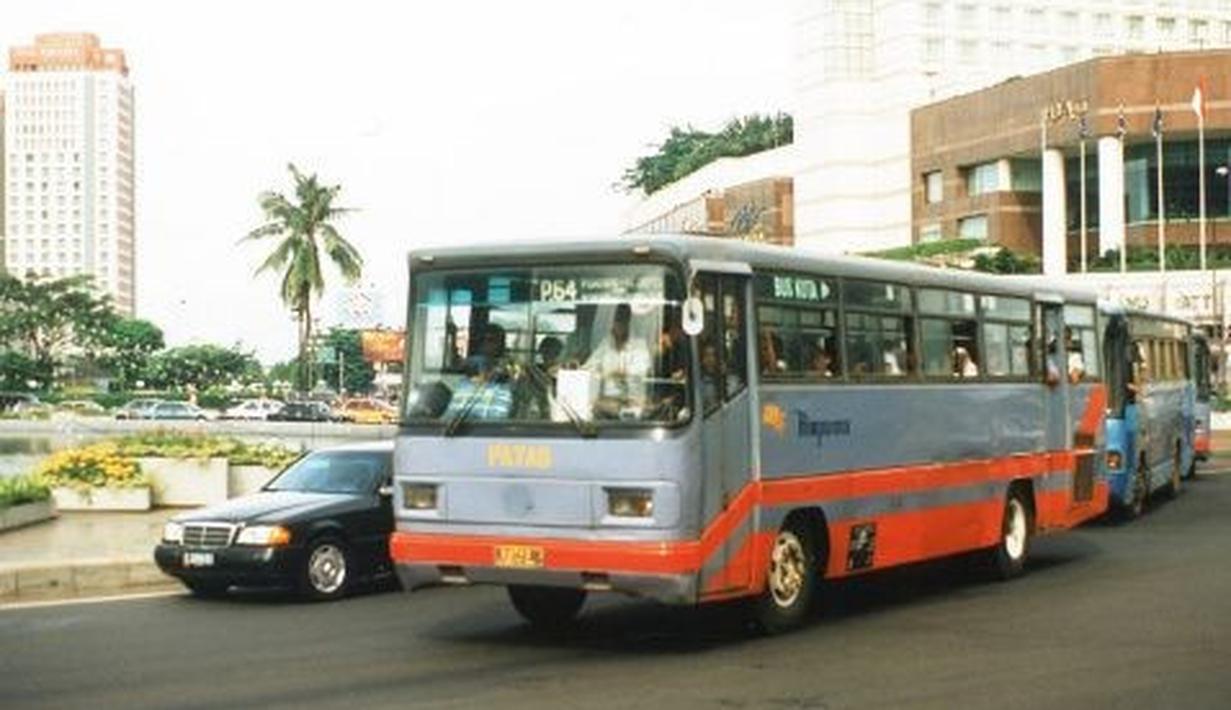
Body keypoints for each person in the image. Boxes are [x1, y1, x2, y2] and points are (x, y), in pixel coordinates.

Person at [585, 303, 652, 417]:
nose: (618, 325)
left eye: (622, 321)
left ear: (629, 323)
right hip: (608, 404)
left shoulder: (640, 345)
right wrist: (579, 368)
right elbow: (590, 366)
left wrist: (619, 373)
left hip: (634, 404)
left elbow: (641, 371)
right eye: (616, 321)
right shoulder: (606, 344)